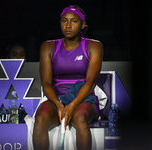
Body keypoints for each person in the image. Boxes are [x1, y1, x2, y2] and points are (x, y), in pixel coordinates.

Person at [33, 5, 103, 150]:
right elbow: (46, 83)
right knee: (40, 118)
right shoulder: (48, 47)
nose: (68, 25)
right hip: (56, 99)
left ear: (83, 25)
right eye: (64, 21)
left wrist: (72, 105)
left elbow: (90, 83)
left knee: (80, 117)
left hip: (84, 99)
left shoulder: (94, 46)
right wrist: (59, 104)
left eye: (74, 21)